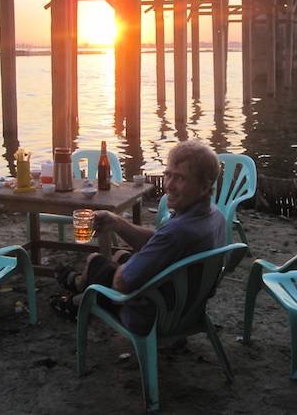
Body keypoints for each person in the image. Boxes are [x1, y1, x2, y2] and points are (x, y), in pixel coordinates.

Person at [52, 140, 226, 332]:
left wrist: (119, 267)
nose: (168, 185)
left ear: (203, 186)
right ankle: (80, 287)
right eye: (168, 175)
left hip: (153, 315)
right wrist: (117, 223)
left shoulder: (179, 232)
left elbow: (121, 284)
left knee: (97, 262)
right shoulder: (214, 215)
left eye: (180, 178)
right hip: (187, 306)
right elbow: (160, 241)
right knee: (119, 257)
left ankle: (78, 296)